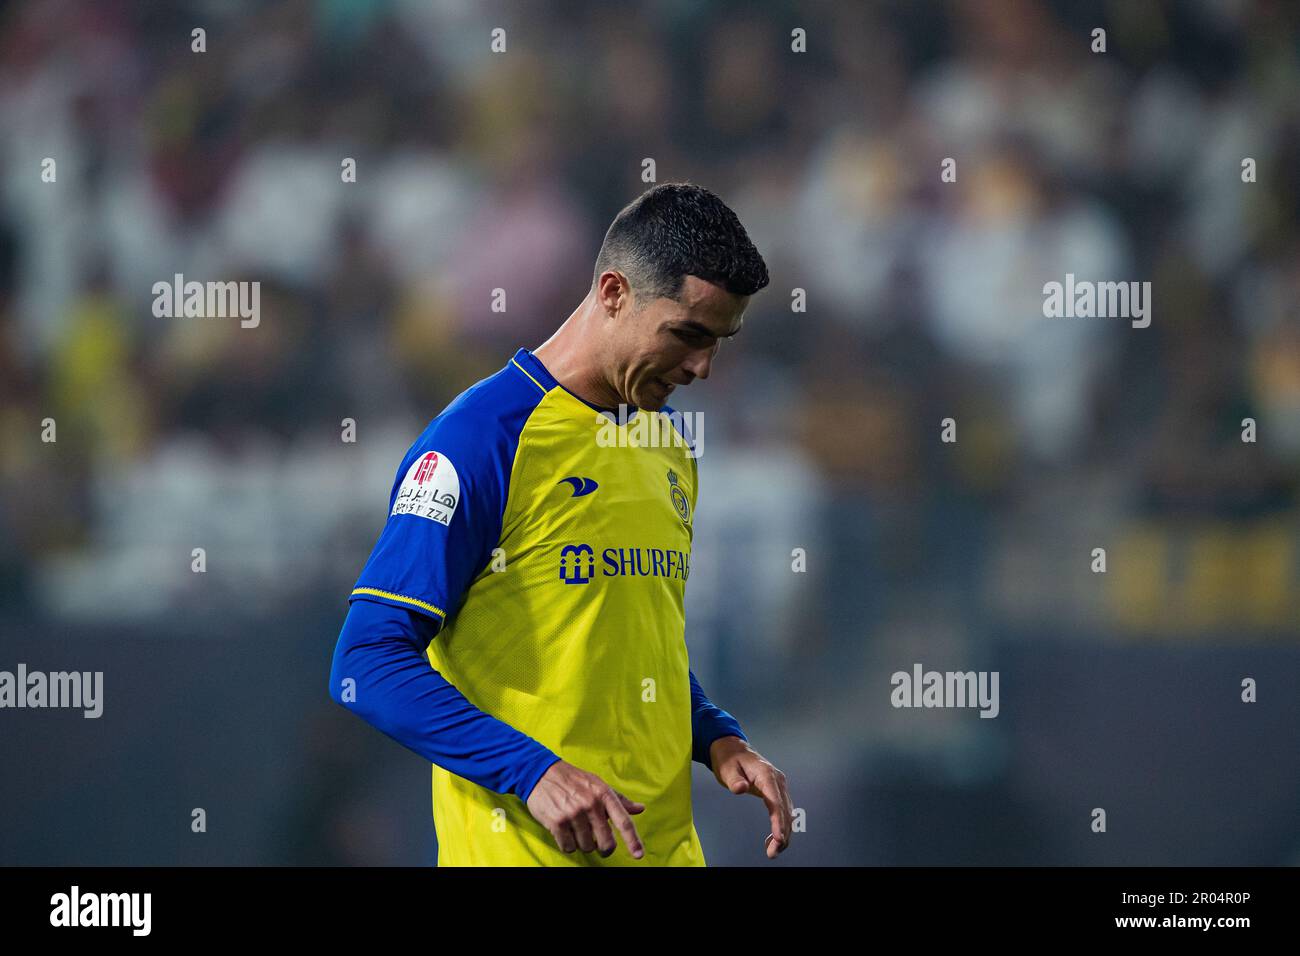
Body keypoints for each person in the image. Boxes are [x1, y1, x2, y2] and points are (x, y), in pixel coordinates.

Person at [329, 182, 793, 865]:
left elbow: (633, 642)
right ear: (613, 293)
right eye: (688, 335)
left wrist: (715, 736)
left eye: (720, 343)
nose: (702, 367)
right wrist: (532, 770)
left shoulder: (666, 443)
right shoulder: (479, 440)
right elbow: (366, 660)